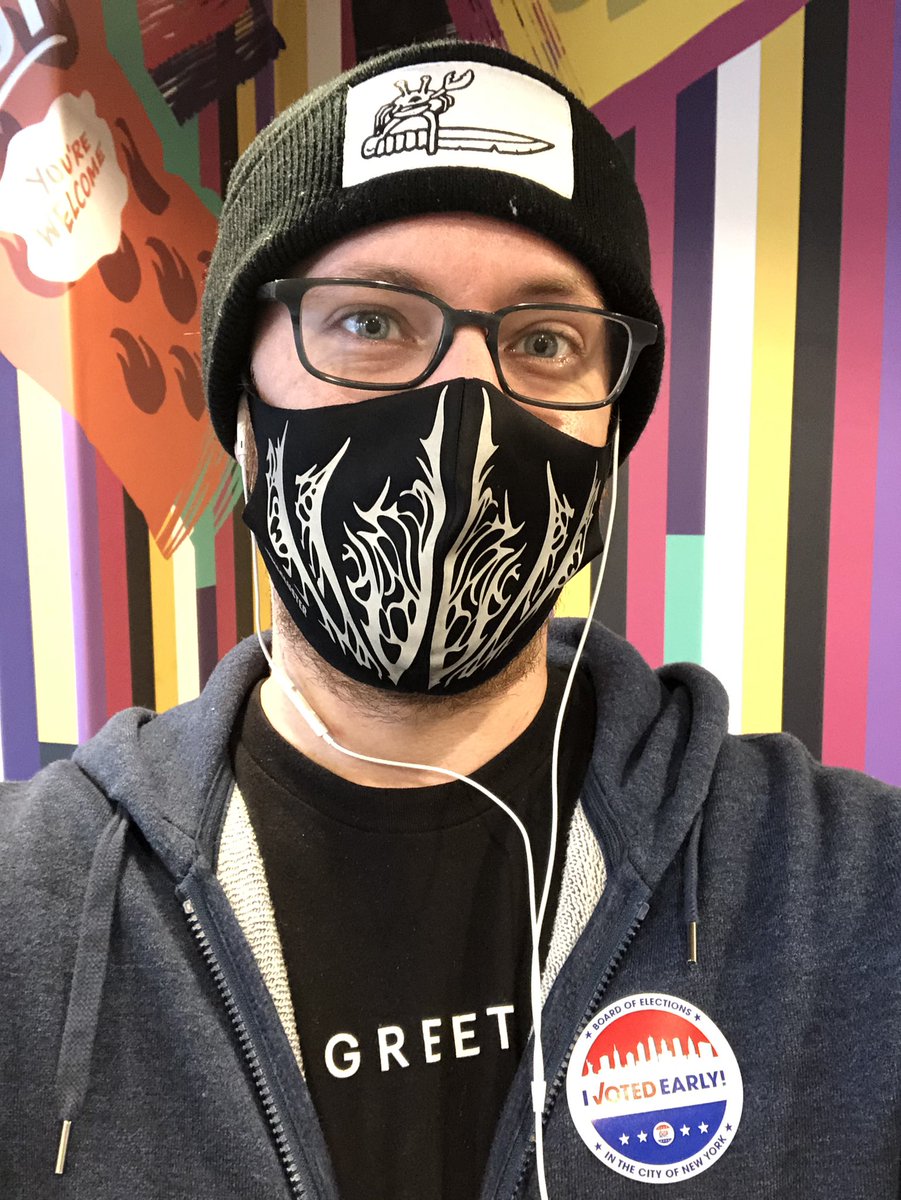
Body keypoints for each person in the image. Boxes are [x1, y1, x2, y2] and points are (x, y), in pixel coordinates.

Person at [1, 38, 899, 1200]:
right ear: (244, 420)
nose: (460, 412)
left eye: (543, 341)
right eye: (370, 322)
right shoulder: (28, 910)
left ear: (609, 438)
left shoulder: (853, 893)